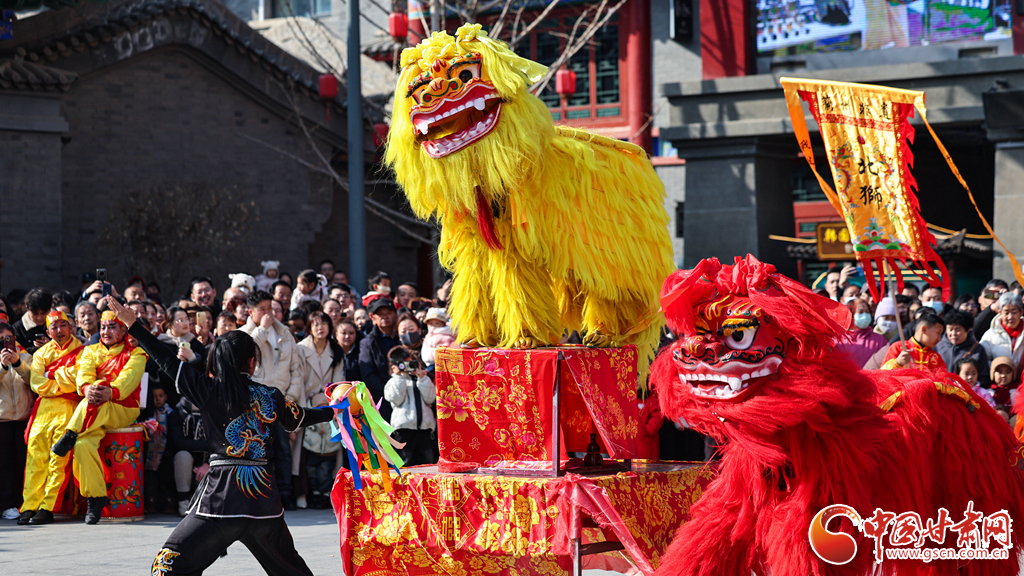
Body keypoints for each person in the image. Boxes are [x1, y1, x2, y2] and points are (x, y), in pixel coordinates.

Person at [105, 298, 333, 576]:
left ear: (216, 361)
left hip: (219, 500)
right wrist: (337, 410)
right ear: (252, 362)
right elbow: (302, 417)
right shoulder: (269, 396)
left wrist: (133, 325)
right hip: (263, 501)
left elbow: (164, 359)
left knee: (167, 566)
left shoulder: (207, 389)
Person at [50, 310, 147, 524]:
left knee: (99, 392)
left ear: (123, 330)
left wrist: (108, 391)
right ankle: (96, 497)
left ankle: (70, 432)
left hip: (123, 408)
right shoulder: (90, 351)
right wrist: (88, 389)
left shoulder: (136, 354)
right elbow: (83, 376)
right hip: (94, 410)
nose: (105, 331)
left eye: (112, 327)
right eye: (103, 327)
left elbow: (128, 381)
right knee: (83, 445)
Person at [238, 290, 304, 510]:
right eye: (263, 309)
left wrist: (290, 399)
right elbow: (246, 352)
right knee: (259, 451)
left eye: (271, 308)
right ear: (250, 312)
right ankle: (259, 494)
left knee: (284, 452)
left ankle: (285, 495)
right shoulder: (244, 333)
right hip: (254, 404)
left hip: (282, 401)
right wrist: (263, 329)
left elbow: (296, 370)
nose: (269, 313)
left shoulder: (285, 333)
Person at [18, 311, 84, 525]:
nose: (59, 330)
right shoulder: (41, 353)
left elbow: (79, 379)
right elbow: (37, 383)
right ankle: (29, 505)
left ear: (71, 327)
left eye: (63, 325)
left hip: (69, 408)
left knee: (58, 460)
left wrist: (51, 375)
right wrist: (61, 378)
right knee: (35, 459)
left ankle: (47, 507)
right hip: (44, 410)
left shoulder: (84, 352)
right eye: (54, 327)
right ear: (48, 332)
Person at [296, 311, 346, 508]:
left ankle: (327, 493)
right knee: (304, 453)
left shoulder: (336, 350)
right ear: (309, 327)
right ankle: (304, 493)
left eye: (324, 323)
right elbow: (297, 380)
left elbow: (339, 383)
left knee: (329, 452)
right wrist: (305, 403)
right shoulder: (300, 349)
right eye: (315, 324)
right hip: (305, 404)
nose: (320, 327)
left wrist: (330, 402)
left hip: (329, 405)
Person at [0, 321, 32, 520]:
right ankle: (8, 504)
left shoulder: (27, 356)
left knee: (24, 462)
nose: (4, 343)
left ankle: (26, 502)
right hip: (2, 419)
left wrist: (18, 363)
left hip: (23, 418)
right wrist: (3, 366)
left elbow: (34, 381)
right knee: (4, 464)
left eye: (7, 338)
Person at [384, 346, 437, 466]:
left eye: (410, 363)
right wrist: (398, 376)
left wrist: (422, 378)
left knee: (426, 464)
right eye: (403, 364)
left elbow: (430, 398)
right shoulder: (393, 381)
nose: (407, 367)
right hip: (404, 430)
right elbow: (396, 399)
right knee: (404, 465)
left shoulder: (423, 379)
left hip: (424, 430)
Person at [358, 298, 401, 423]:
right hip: (381, 402)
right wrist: (390, 392)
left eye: (389, 313)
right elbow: (368, 375)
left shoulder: (402, 337)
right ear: (372, 316)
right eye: (381, 314)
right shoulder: (367, 343)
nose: (385, 317)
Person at [143, 385, 175, 514]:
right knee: (151, 480)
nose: (158, 400)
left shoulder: (170, 413)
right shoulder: (147, 414)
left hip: (165, 453)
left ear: (166, 397)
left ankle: (169, 504)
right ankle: (151, 504)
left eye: (161, 396)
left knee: (167, 480)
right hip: (150, 455)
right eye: (154, 397)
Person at [880, 310, 946, 374]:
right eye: (938, 333)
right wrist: (897, 363)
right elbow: (881, 374)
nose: (939, 338)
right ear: (924, 329)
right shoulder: (898, 347)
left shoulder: (935, 357)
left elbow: (944, 380)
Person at [936, 310, 989, 384]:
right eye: (950, 329)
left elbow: (984, 376)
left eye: (957, 330)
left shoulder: (977, 350)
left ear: (968, 330)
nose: (953, 333)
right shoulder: (937, 346)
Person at [980, 291, 1024, 377]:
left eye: (1014, 312)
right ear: (1000, 312)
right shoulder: (990, 335)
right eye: (1006, 312)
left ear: (1021, 312)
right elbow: (983, 361)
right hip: (998, 386)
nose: (1010, 317)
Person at [836, 300, 888, 367]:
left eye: (867, 312)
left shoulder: (880, 340)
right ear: (851, 315)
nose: (865, 315)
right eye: (860, 312)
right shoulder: (839, 340)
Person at [14, 288, 52, 354]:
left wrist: (51, 345)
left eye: (43, 313)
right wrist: (36, 349)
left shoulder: (57, 325)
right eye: (35, 314)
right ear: (27, 308)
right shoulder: (17, 328)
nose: (39, 318)